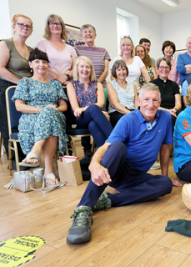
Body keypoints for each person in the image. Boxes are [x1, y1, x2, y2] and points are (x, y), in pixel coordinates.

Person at [66, 83, 182, 244]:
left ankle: (107, 200)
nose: (151, 104)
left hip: (137, 175)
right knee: (117, 147)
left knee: (165, 185)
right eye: (146, 99)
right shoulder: (127, 120)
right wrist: (94, 164)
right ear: (139, 101)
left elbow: (165, 149)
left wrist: (166, 176)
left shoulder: (165, 118)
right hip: (118, 171)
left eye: (155, 100)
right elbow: (106, 146)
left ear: (160, 102)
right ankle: (83, 209)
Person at [12, 49, 68, 185]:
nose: (41, 64)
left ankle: (35, 150)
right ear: (30, 64)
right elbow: (19, 106)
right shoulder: (25, 82)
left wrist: (51, 110)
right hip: (31, 118)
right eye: (37, 62)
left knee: (50, 114)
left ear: (48, 65)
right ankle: (48, 172)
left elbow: (64, 107)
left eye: (44, 62)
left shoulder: (55, 84)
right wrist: (41, 110)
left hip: (55, 116)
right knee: (48, 115)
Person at [0, 14, 33, 165]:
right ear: (14, 26)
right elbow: (0, 69)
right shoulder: (5, 44)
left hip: (27, 90)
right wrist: (20, 82)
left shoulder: (31, 49)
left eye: (28, 26)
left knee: (26, 121)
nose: (24, 28)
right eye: (21, 25)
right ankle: (15, 158)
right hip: (8, 88)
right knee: (10, 123)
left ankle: (30, 155)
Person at [67, 56, 113, 148]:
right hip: (81, 119)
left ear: (91, 69)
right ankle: (116, 139)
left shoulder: (97, 84)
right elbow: (76, 109)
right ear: (77, 68)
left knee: (93, 125)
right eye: (82, 66)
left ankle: (105, 156)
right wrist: (94, 110)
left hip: (96, 117)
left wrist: (85, 109)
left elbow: (100, 104)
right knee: (94, 108)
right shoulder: (71, 85)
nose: (85, 69)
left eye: (88, 67)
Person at [37, 14, 77, 85]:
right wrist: (57, 78)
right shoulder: (42, 44)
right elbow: (41, 65)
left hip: (67, 85)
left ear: (62, 27)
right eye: (52, 23)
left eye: (58, 24)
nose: (55, 26)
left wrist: (65, 77)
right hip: (48, 84)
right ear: (48, 26)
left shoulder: (71, 48)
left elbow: (76, 68)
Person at [150, 58, 181, 129]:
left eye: (167, 67)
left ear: (170, 69)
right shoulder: (152, 84)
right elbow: (153, 104)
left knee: (183, 115)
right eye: (162, 67)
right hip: (158, 110)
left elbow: (178, 103)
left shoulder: (174, 85)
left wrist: (174, 109)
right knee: (171, 118)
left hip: (173, 110)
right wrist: (169, 111)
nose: (164, 69)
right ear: (157, 69)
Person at [107, 60, 138, 127]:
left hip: (132, 111)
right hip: (117, 112)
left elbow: (136, 103)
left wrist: (138, 113)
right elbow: (115, 105)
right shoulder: (110, 84)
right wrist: (131, 114)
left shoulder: (133, 86)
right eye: (118, 70)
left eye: (123, 69)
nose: (122, 72)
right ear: (115, 72)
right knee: (128, 120)